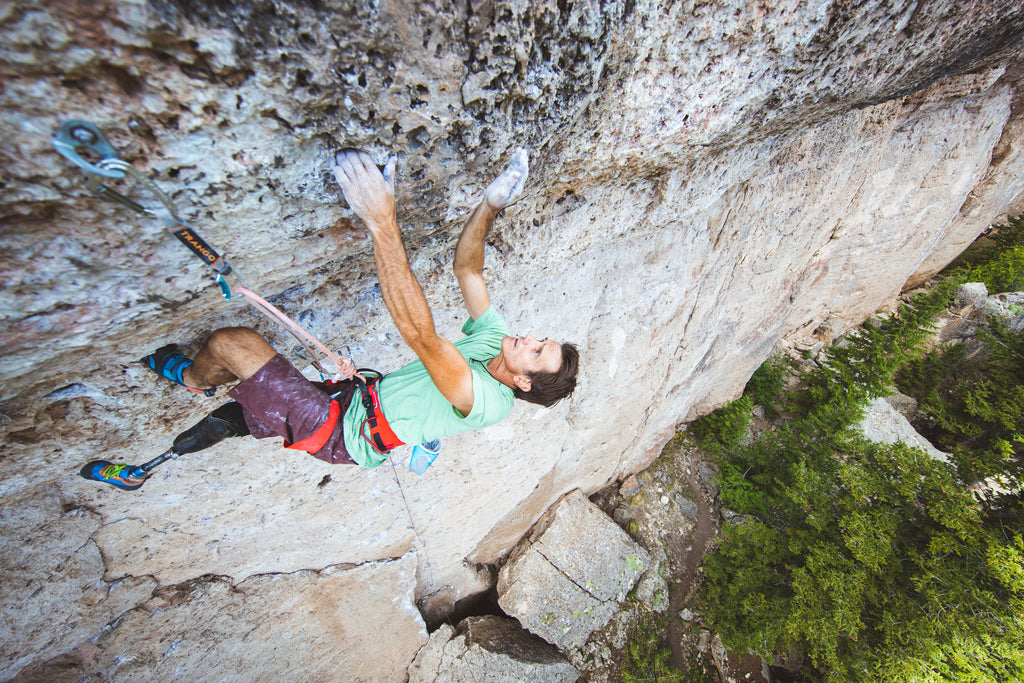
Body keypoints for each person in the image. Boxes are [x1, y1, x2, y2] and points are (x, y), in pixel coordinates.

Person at [81, 148, 580, 490]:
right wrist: (491, 204)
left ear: (522, 382)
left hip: (345, 434)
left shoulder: (490, 400)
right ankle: (242, 416)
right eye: (542, 339)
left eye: (537, 351)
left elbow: (421, 337)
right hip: (357, 399)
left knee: (233, 342)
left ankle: (192, 378)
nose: (530, 338)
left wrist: (381, 220)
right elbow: (467, 267)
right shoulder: (496, 342)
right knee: (254, 411)